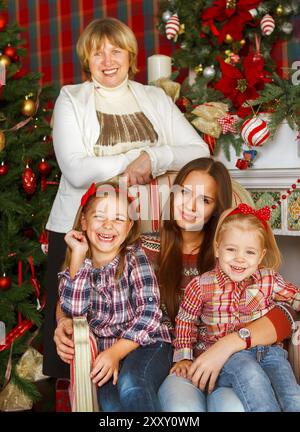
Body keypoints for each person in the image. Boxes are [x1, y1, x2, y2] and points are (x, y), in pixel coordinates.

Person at [54, 158, 295, 411]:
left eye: (204, 200)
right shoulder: (140, 249)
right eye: (184, 193)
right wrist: (63, 321)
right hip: (169, 363)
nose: (190, 206)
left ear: (216, 209)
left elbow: (285, 307)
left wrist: (230, 344)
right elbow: (92, 285)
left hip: (231, 361)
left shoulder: (234, 252)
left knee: (230, 407)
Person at [43, 17, 209, 378]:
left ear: (130, 55)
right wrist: (131, 161)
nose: (107, 60)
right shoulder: (72, 98)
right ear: (86, 59)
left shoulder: (154, 97)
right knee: (74, 338)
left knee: (143, 322)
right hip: (85, 229)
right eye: (97, 52)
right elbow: (75, 169)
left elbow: (198, 151)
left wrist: (154, 157)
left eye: (115, 50)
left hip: (145, 231)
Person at [172, 202, 300, 412]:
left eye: (250, 252)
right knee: (253, 379)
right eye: (231, 249)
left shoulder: (269, 279)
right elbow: (186, 321)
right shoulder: (202, 285)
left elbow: (295, 298)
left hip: (271, 353)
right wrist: (184, 357)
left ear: (260, 256)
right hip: (229, 358)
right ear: (217, 249)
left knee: (292, 394)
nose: (239, 258)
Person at [58, 181, 172, 411]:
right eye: (99, 216)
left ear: (129, 227)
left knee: (133, 384)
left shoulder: (135, 259)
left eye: (119, 219)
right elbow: (74, 311)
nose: (108, 225)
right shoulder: (75, 268)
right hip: (107, 353)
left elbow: (150, 313)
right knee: (110, 404)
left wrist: (115, 353)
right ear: (84, 221)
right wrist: (79, 258)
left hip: (149, 344)